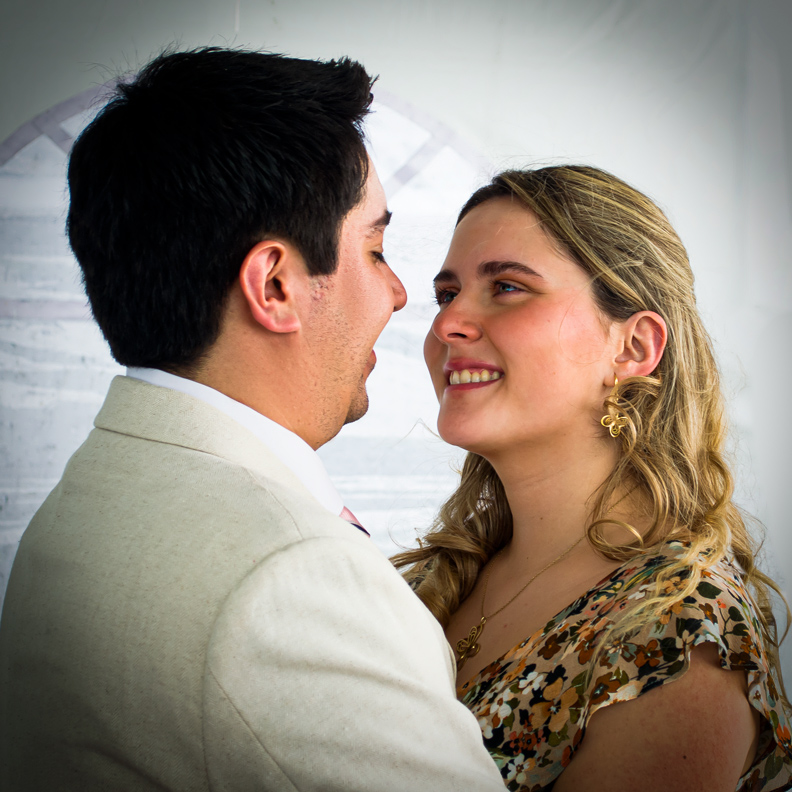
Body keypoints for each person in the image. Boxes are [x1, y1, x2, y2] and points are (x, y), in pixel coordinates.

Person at [0, 47, 506, 791]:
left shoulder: (89, 494)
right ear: (274, 286)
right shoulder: (292, 579)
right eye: (375, 251)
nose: (401, 294)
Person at [394, 165, 792, 791]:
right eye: (447, 295)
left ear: (632, 348)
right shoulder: (427, 581)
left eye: (507, 287)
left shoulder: (679, 633)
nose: (448, 324)